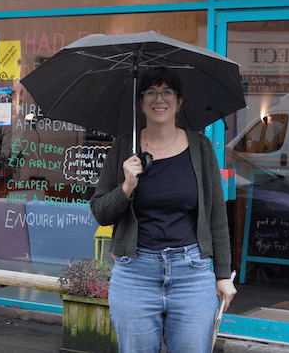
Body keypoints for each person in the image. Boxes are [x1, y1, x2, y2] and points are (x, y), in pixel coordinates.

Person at [90, 67, 236, 353]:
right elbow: (101, 213)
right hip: (135, 275)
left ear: (179, 102)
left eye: (168, 91)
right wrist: (127, 187)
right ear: (141, 102)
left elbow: (217, 215)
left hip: (192, 274)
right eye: (151, 92)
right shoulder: (123, 148)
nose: (160, 99)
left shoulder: (201, 147)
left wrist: (222, 274)